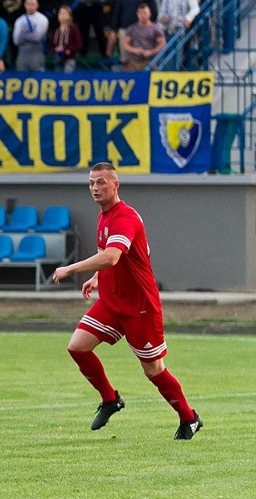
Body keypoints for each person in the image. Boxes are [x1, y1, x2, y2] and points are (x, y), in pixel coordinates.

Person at [51, 162, 202, 440]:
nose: (95, 188)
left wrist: (70, 269)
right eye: (91, 183)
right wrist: (96, 278)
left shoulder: (125, 217)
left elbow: (112, 256)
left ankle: (189, 418)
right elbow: (106, 256)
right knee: (77, 347)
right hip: (111, 302)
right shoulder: (103, 216)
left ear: (115, 184)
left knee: (153, 370)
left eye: (101, 182)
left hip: (139, 307)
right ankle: (110, 399)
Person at [121, 3, 165, 71]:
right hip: (134, 63)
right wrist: (135, 50)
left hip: (150, 63)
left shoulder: (155, 29)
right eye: (140, 13)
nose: (143, 15)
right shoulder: (131, 28)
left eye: (145, 13)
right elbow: (125, 44)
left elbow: (162, 44)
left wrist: (151, 52)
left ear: (149, 13)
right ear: (137, 14)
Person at [12, 0, 49, 71]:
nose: (30, 6)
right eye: (28, 4)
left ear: (37, 5)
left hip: (37, 53)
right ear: (25, 5)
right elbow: (16, 40)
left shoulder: (43, 19)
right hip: (22, 53)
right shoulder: (19, 20)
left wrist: (23, 35)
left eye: (33, 4)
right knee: (22, 78)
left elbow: (37, 37)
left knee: (37, 78)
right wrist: (29, 35)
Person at [52, 5, 82, 72]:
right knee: (57, 76)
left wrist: (69, 50)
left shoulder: (74, 29)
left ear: (69, 16)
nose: (62, 16)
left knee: (67, 76)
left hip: (70, 58)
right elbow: (52, 45)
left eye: (64, 14)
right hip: (57, 57)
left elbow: (79, 44)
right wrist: (55, 49)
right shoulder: (56, 30)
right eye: (60, 13)